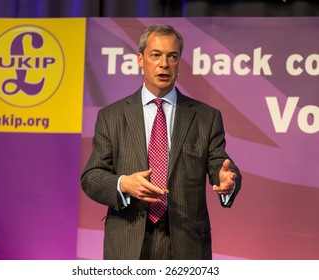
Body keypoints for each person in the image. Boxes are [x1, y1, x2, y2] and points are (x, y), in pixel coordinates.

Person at [81, 24, 242, 260]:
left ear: (179, 62)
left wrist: (227, 181)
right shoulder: (111, 116)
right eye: (156, 55)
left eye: (172, 56)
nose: (164, 64)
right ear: (140, 59)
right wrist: (124, 184)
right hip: (127, 241)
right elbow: (91, 177)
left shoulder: (206, 116)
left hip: (186, 243)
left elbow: (220, 164)